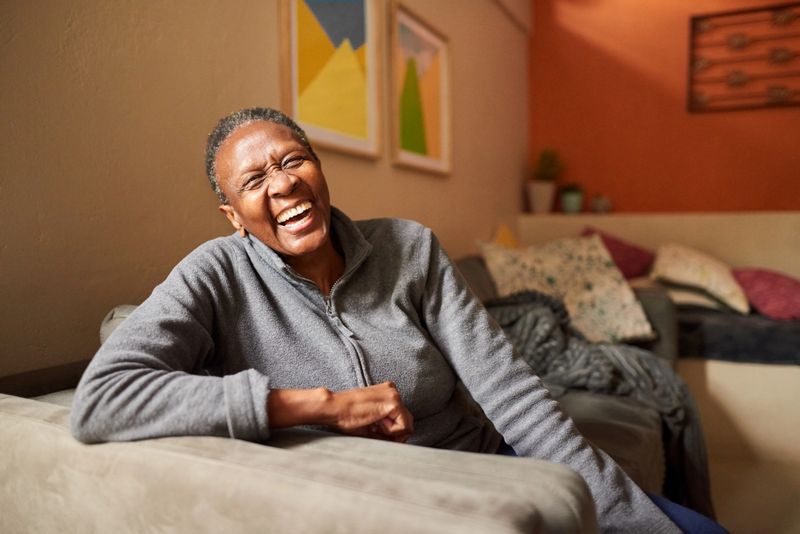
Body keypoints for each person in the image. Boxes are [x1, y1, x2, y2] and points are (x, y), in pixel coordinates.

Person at [72, 107, 705, 533]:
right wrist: (317, 405)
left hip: (487, 468)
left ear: (320, 169)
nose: (284, 185)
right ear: (233, 215)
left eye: (294, 161)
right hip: (378, 502)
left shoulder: (412, 248)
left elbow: (515, 398)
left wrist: (633, 521)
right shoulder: (213, 274)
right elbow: (102, 398)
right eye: (254, 181)